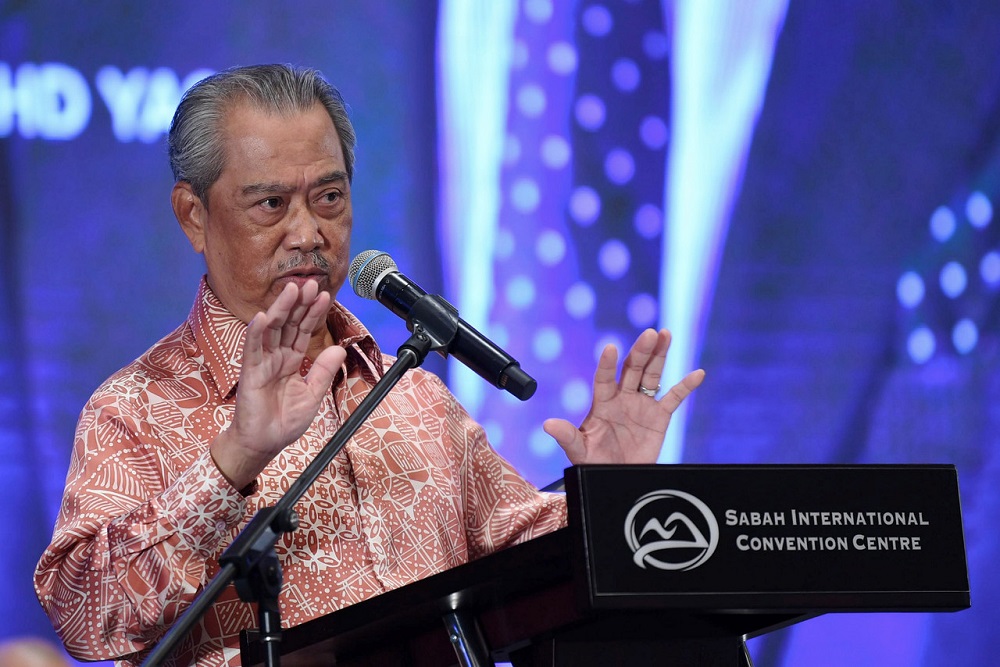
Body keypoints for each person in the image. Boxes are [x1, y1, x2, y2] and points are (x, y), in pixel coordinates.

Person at [33, 64, 704, 667]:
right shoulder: (135, 406)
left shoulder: (413, 397)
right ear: (194, 216)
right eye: (271, 204)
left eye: (328, 198)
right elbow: (86, 614)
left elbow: (524, 562)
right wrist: (233, 458)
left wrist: (608, 498)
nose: (308, 233)